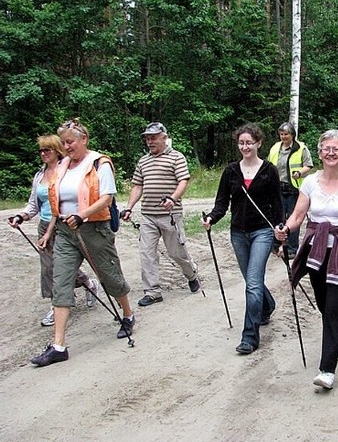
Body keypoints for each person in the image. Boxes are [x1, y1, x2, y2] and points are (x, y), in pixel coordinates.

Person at [29, 118, 135, 367]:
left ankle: (128, 314)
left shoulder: (99, 163)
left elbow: (107, 198)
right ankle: (58, 345)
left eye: (70, 142)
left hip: (94, 229)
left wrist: (82, 215)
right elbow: (55, 201)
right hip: (66, 232)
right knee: (61, 280)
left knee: (109, 275)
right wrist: (42, 224)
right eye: (63, 143)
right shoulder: (63, 165)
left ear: (83, 140)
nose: (66, 147)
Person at [275, 129, 338, 390]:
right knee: (323, 304)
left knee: (334, 307)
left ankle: (327, 370)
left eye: (336, 149)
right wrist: (285, 230)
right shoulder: (310, 183)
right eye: (326, 149)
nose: (331, 153)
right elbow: (298, 216)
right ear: (319, 153)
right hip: (316, 249)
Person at [204, 123, 283, 355]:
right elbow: (222, 202)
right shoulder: (230, 171)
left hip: (263, 231)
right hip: (238, 232)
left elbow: (277, 204)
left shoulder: (269, 170)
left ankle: (250, 336)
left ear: (258, 143)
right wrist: (211, 218)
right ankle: (267, 305)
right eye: (241, 143)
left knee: (254, 282)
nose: (245, 146)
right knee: (251, 281)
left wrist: (280, 235)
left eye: (249, 142)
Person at [7, 135, 99, 327]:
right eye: (41, 150)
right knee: (49, 268)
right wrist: (21, 216)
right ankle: (57, 304)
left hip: (65, 224)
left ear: (57, 151)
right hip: (45, 224)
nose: (43, 153)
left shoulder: (66, 172)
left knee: (63, 266)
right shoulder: (39, 176)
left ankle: (87, 286)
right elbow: (34, 204)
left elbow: (67, 201)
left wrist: (56, 229)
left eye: (47, 150)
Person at [121, 122, 200, 307]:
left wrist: (173, 198)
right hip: (148, 215)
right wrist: (129, 207)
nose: (150, 141)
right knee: (146, 253)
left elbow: (183, 181)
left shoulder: (176, 157)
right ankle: (153, 291)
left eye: (154, 137)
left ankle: (191, 273)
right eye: (148, 138)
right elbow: (137, 185)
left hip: (170, 214)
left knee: (177, 253)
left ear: (164, 137)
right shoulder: (143, 161)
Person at [268, 122, 313, 258]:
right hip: (278, 187)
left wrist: (299, 173)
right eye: (281, 134)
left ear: (292, 134)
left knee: (293, 218)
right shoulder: (275, 148)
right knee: (278, 217)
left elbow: (308, 165)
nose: (283, 136)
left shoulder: (301, 148)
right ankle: (276, 246)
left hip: (294, 188)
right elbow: (269, 164)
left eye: (286, 134)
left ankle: (292, 248)